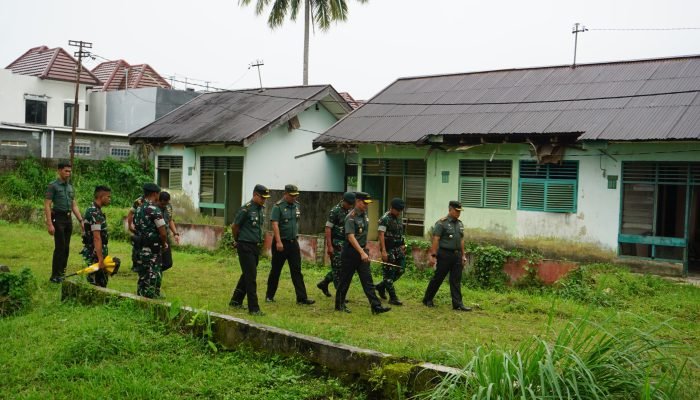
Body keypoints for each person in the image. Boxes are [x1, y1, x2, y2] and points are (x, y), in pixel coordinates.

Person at [335, 192, 391, 315]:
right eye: (365, 203)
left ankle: (376, 306)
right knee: (345, 280)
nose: (366, 206)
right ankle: (339, 304)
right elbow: (350, 237)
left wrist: (365, 250)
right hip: (350, 252)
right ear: (358, 202)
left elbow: (362, 235)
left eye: (367, 204)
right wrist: (361, 252)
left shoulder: (364, 215)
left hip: (361, 251)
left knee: (367, 280)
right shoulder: (351, 217)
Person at [265, 184, 315, 305]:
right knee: (276, 270)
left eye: (296, 195)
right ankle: (269, 296)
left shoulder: (296, 206)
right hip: (281, 243)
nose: (294, 197)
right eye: (292, 195)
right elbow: (275, 225)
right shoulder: (278, 207)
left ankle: (301, 298)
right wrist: (278, 241)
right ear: (285, 194)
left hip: (293, 243)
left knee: (296, 270)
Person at [422, 201, 472, 311]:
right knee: (438, 278)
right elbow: (436, 239)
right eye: (456, 211)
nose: (459, 213)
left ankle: (458, 304)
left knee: (456, 280)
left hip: (457, 255)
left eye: (460, 211)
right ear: (450, 210)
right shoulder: (441, 223)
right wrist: (433, 255)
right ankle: (427, 299)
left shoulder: (460, 224)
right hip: (445, 254)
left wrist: (463, 255)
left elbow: (461, 240)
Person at [229, 184, 270, 316]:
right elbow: (235, 226)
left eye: (265, 198)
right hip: (245, 245)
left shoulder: (260, 209)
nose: (264, 200)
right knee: (251, 277)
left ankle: (235, 301)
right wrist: (237, 240)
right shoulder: (246, 209)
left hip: (254, 246)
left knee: (247, 274)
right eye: (262, 197)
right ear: (255, 195)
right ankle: (254, 308)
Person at [44, 161, 84, 283]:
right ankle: (54, 276)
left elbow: (74, 205)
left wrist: (81, 220)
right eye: (66, 171)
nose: (68, 173)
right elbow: (47, 205)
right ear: (59, 171)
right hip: (58, 218)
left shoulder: (70, 187)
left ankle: (62, 274)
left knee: (66, 248)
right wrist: (50, 224)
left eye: (70, 171)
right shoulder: (53, 186)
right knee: (59, 247)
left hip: (68, 219)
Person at [317, 192, 356, 297]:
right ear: (343, 201)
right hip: (336, 244)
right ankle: (340, 295)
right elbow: (328, 228)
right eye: (348, 204)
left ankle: (324, 283)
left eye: (352, 204)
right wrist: (329, 246)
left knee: (342, 268)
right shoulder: (335, 211)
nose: (350, 206)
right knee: (338, 269)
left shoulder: (351, 211)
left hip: (347, 244)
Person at [133, 183, 168, 299]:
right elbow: (163, 233)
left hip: (140, 248)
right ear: (155, 194)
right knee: (153, 275)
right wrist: (164, 244)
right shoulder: (154, 210)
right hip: (153, 248)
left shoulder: (138, 209)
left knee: (142, 275)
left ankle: (140, 297)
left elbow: (135, 227)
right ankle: (151, 300)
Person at [375, 198, 406, 306]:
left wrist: (403, 244)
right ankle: (393, 298)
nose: (399, 213)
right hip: (388, 249)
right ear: (392, 208)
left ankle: (381, 286)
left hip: (398, 249)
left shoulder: (398, 218)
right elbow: (381, 234)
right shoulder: (385, 219)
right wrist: (383, 251)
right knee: (389, 273)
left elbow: (400, 233)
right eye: (397, 210)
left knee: (401, 270)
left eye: (400, 211)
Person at [80, 186, 112, 288]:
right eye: (108, 196)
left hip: (97, 250)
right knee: (96, 283)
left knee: (101, 281)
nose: (109, 199)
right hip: (94, 253)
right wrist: (100, 259)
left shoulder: (96, 210)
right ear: (101, 197)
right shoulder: (94, 212)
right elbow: (96, 237)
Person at [157, 191, 180, 273]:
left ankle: (155, 272)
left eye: (166, 203)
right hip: (155, 236)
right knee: (157, 260)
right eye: (163, 204)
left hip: (165, 235)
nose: (164, 206)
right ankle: (154, 275)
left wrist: (175, 234)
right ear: (159, 200)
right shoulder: (153, 208)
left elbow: (170, 220)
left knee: (168, 263)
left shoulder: (168, 207)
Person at [128, 193, 145, 272]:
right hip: (139, 228)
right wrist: (130, 225)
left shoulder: (155, 200)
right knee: (137, 247)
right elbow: (131, 212)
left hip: (148, 229)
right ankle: (135, 265)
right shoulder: (138, 201)